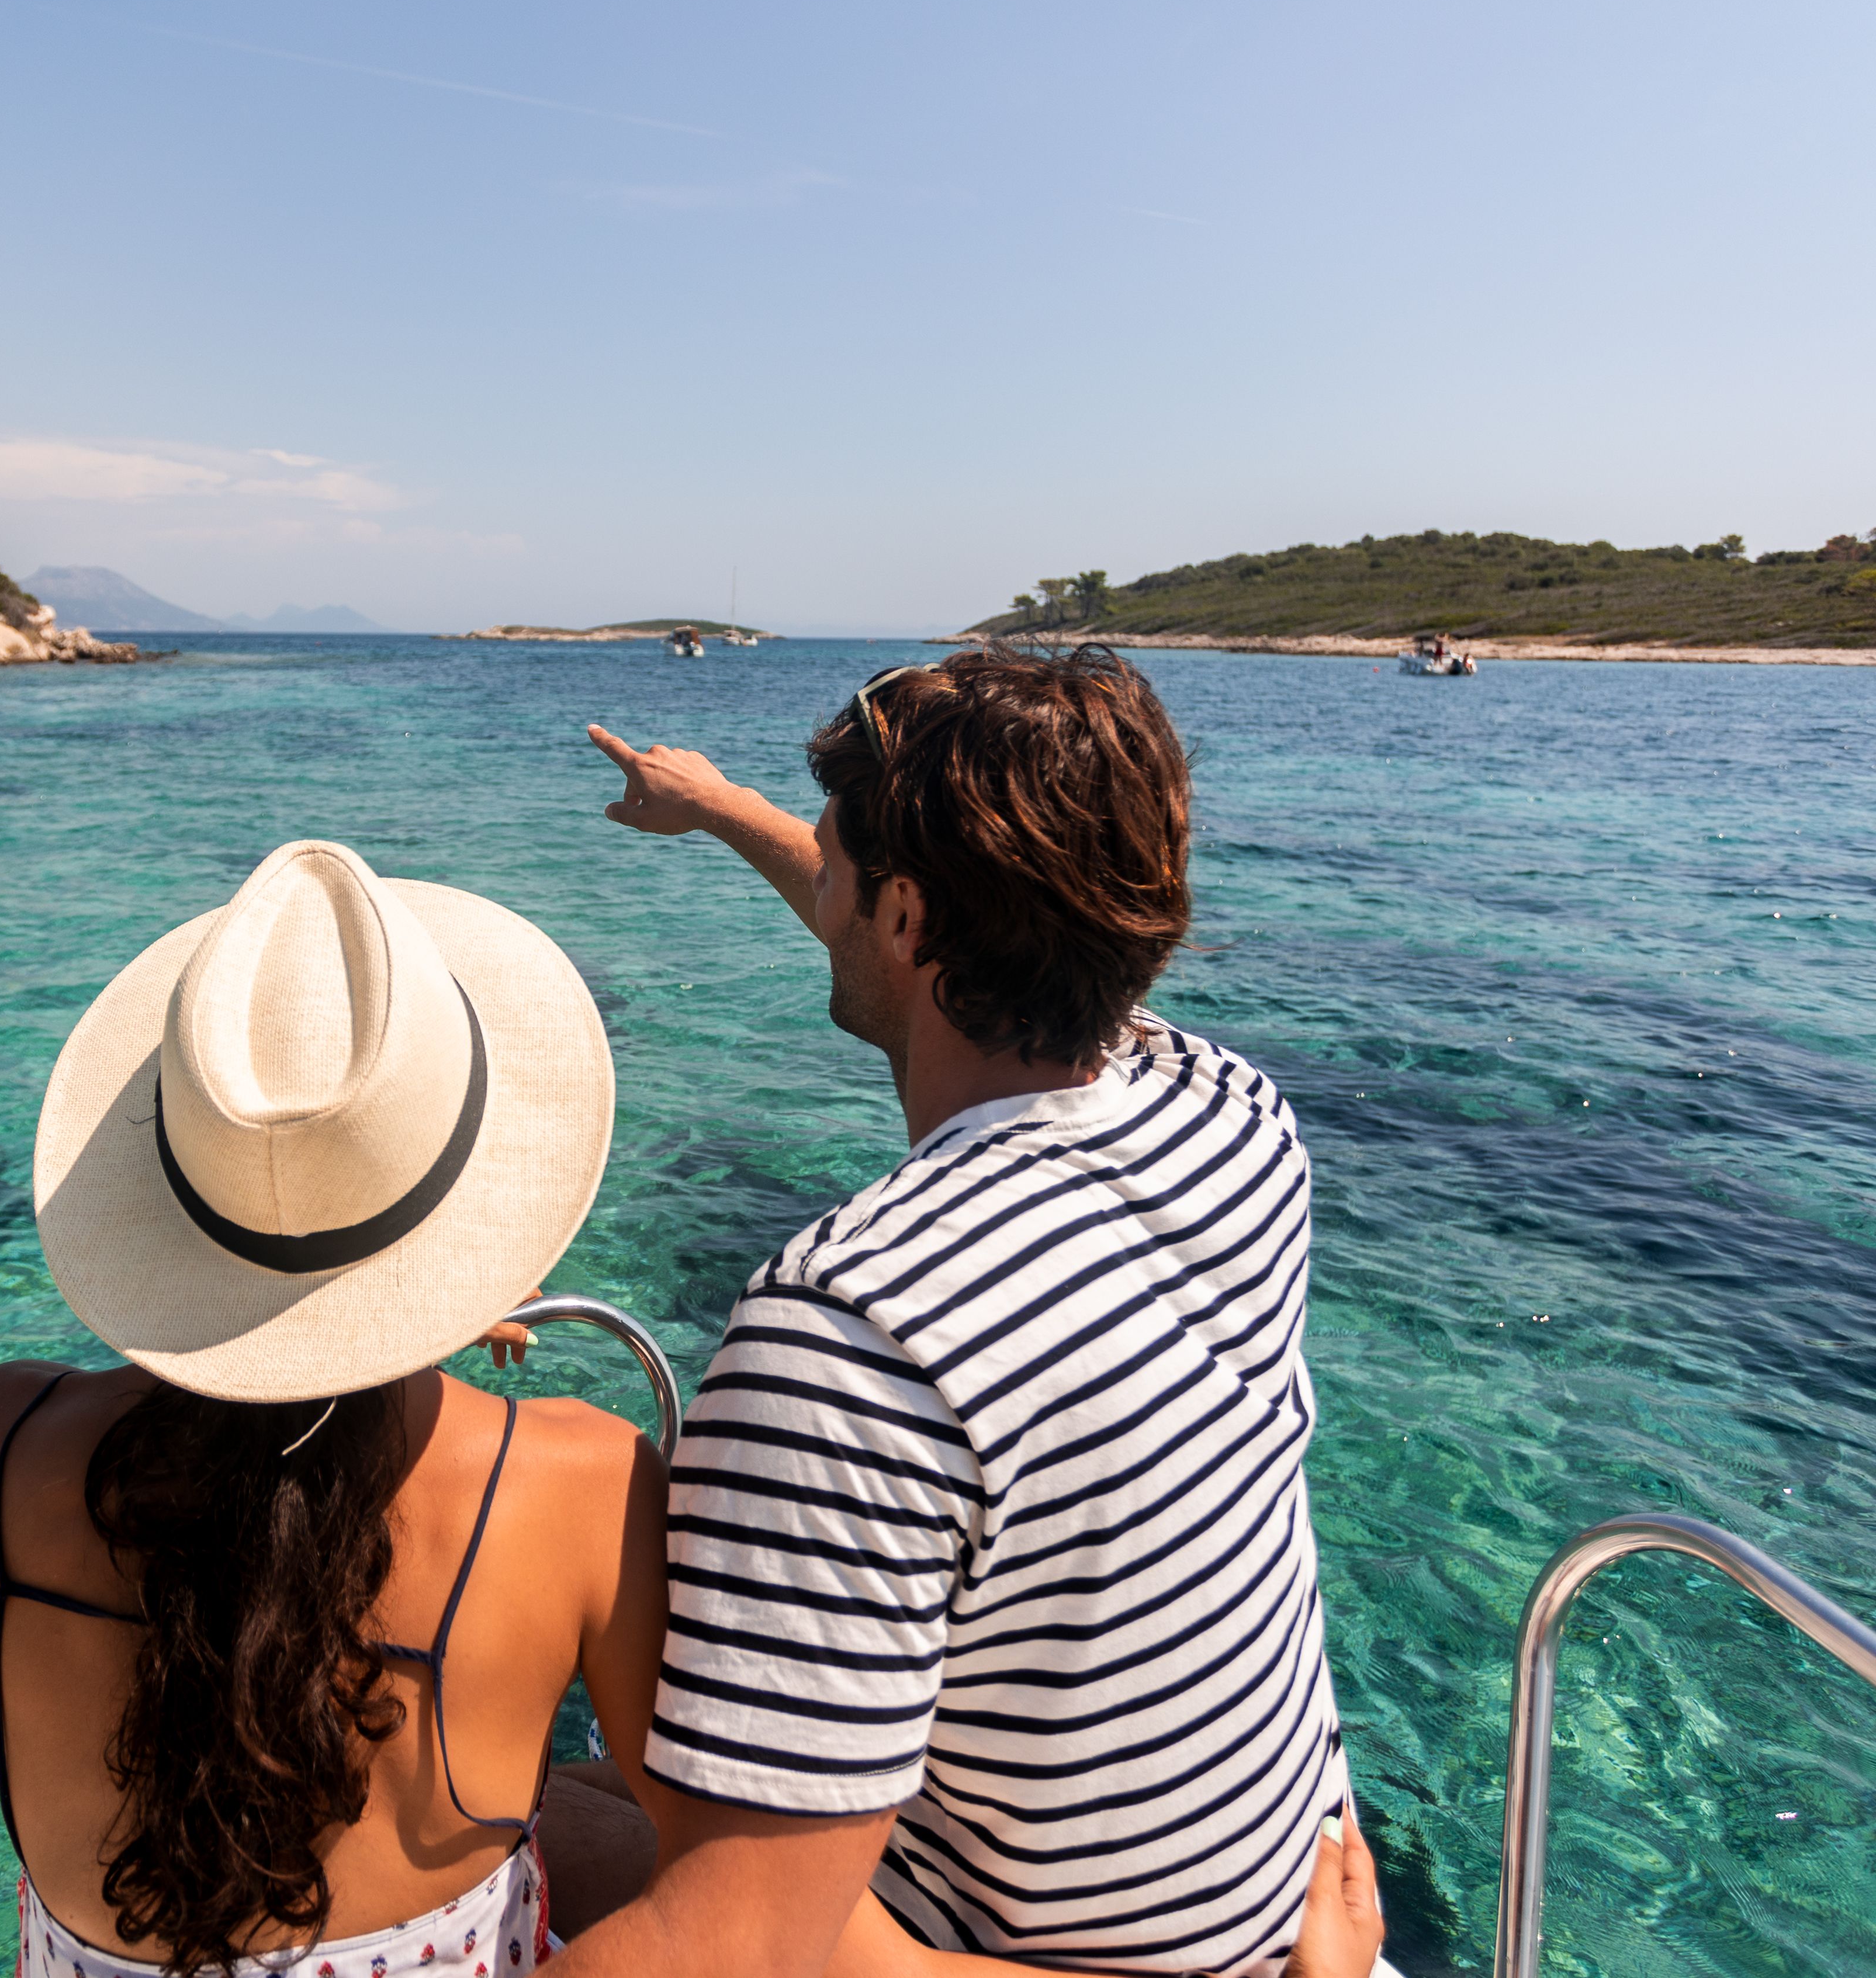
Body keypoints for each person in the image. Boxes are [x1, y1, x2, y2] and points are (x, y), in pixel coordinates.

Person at [553, 645, 1363, 1978]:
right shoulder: (1234, 1116)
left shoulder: (852, 1333)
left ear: (911, 918)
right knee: (555, 1798)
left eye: (836, 865)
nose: (823, 885)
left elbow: (743, 1956)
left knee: (481, 1841)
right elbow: (893, 906)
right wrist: (716, 808)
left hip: (1036, 1952)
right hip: (1285, 1891)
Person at [0, 838, 670, 1977]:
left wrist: (380, 1309)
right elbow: (716, 1858)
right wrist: (425, 1305)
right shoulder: (583, 1480)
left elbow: (248, 1499)